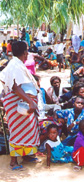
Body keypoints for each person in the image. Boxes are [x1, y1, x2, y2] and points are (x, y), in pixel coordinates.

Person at [0, 41, 41, 171]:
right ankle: (13, 161)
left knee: (29, 129)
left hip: (23, 103)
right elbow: (15, 88)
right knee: (17, 132)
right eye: (27, 50)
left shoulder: (16, 64)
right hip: (18, 104)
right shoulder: (14, 65)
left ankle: (27, 155)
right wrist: (30, 101)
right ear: (25, 52)